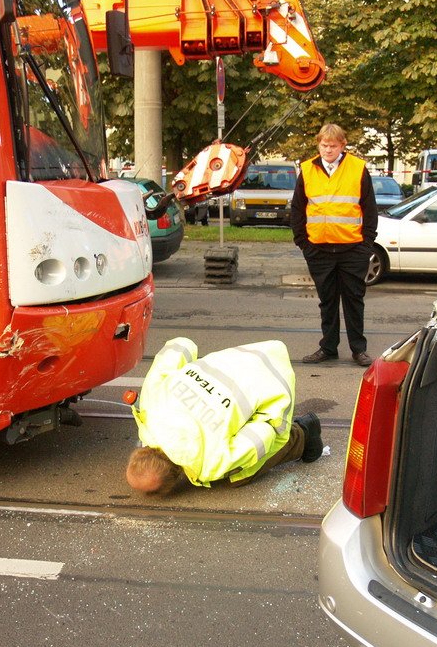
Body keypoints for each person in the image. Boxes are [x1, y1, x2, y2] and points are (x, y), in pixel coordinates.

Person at [125, 338, 324, 495]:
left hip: (272, 381)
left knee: (241, 473)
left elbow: (262, 435)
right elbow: (181, 345)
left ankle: (303, 434)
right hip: (236, 359)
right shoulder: (149, 409)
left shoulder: (210, 464)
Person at [290, 123, 378, 366]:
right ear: (318, 144)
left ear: (343, 145)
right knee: (327, 301)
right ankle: (328, 348)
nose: (328, 150)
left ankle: (358, 350)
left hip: (352, 249)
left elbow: (369, 209)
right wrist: (303, 243)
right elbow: (297, 208)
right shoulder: (307, 169)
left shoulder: (358, 168)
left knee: (354, 300)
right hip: (319, 249)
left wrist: (367, 244)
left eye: (333, 145)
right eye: (323, 145)